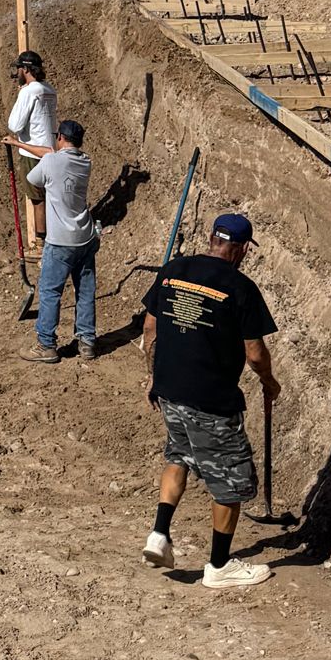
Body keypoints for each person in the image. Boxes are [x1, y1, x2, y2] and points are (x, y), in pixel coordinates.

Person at [140, 213, 280, 591]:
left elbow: (150, 327)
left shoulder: (173, 269)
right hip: (211, 400)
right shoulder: (240, 287)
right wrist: (269, 381)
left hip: (169, 390)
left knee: (178, 456)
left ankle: (159, 535)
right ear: (243, 249)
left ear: (211, 237)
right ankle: (219, 566)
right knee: (229, 481)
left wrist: (154, 374)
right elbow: (254, 352)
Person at [26, 118, 97, 361]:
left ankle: (46, 345)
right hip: (85, 237)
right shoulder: (85, 162)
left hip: (60, 241)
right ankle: (87, 341)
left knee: (50, 291)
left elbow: (33, 179)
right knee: (85, 291)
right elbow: (57, 158)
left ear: (60, 138)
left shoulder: (51, 161)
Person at [3, 50, 57, 163]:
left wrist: (21, 96)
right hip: (50, 152)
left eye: (19, 68)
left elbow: (15, 126)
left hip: (32, 154)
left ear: (26, 69)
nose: (17, 72)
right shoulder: (50, 89)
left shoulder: (28, 92)